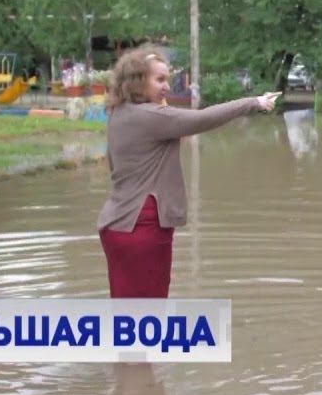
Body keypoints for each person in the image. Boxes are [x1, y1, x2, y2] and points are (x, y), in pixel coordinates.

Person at [96, 46, 280, 298]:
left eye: (167, 80)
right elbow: (203, 118)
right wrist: (254, 102)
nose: (167, 87)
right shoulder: (151, 117)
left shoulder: (118, 114)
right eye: (160, 79)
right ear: (137, 81)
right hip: (143, 225)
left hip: (117, 225)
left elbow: (114, 167)